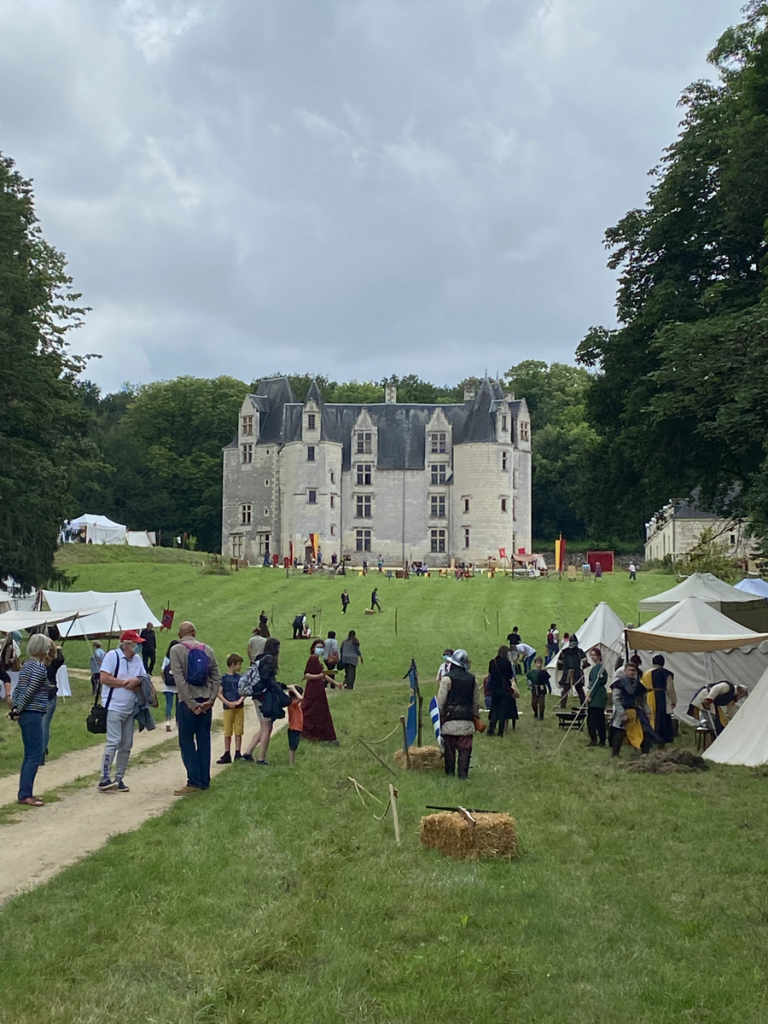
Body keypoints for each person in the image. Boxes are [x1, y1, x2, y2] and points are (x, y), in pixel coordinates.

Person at [170, 621, 221, 795]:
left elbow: (179, 679)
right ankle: (205, 780)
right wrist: (211, 700)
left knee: (186, 741)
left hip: (187, 703)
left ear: (180, 635)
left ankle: (193, 781)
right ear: (194, 632)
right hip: (206, 700)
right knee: (204, 740)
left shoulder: (177, 650)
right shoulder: (208, 650)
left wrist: (191, 704)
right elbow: (217, 677)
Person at [98, 630, 146, 793]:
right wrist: (125, 683)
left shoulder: (137, 659)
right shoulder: (113, 656)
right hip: (113, 706)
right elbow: (104, 678)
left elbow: (143, 678)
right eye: (135, 643)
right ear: (126, 644)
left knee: (126, 744)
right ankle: (104, 777)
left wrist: (138, 681)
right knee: (114, 741)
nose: (138, 646)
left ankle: (119, 779)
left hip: (130, 708)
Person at [10, 633, 55, 806]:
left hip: (25, 712)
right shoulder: (39, 667)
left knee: (31, 752)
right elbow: (30, 691)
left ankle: (25, 791)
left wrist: (15, 707)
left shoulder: (26, 665)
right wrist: (18, 709)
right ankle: (25, 794)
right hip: (33, 712)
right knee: (34, 753)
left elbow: (19, 689)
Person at [437, 650, 481, 779]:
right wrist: (475, 716)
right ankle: (463, 775)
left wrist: (440, 717)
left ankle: (450, 773)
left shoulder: (447, 679)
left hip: (450, 720)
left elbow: (440, 702)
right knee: (465, 749)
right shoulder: (473, 679)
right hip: (467, 720)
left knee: (449, 750)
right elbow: (476, 702)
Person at [610, 662, 656, 757]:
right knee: (620, 732)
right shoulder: (619, 684)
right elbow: (616, 699)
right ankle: (615, 754)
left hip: (635, 711)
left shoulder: (639, 685)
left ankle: (645, 753)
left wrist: (647, 712)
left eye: (633, 670)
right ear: (625, 671)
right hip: (622, 710)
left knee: (646, 730)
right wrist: (622, 713)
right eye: (629, 670)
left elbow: (642, 700)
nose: (631, 672)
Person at [301, 642, 339, 742]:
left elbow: (323, 675)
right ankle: (307, 732)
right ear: (313, 648)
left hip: (318, 688)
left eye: (322, 647)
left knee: (319, 711)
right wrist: (319, 677)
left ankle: (318, 734)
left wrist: (335, 683)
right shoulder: (312, 659)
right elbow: (307, 675)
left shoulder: (317, 660)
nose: (320, 649)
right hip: (313, 688)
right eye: (318, 647)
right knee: (311, 709)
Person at [641, 655, 677, 748]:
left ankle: (650, 739)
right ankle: (661, 740)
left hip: (648, 696)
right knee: (661, 719)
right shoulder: (666, 673)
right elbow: (670, 688)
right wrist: (673, 700)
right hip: (660, 697)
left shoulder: (646, 674)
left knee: (650, 718)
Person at [216, 653, 245, 763]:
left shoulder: (240, 678)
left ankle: (238, 752)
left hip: (239, 707)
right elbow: (219, 693)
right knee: (227, 730)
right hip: (228, 708)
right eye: (239, 664)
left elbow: (244, 692)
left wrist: (239, 701)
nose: (240, 666)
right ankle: (227, 752)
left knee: (239, 730)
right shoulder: (224, 678)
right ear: (233, 665)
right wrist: (227, 702)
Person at [41, 645, 64, 764]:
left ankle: (40, 752)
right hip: (49, 695)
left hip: (41, 696)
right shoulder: (52, 665)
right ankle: (41, 752)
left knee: (42, 725)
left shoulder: (38, 664)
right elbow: (60, 659)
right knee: (44, 726)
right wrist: (58, 649)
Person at [487, 645, 517, 736]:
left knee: (494, 708)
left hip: (495, 689)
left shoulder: (493, 662)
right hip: (505, 689)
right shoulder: (507, 663)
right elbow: (510, 676)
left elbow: (490, 674)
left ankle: (491, 728)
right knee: (503, 710)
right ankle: (500, 731)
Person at [585, 648, 608, 747]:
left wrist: (590, 695)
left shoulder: (599, 669)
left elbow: (595, 683)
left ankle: (596, 739)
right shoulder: (596, 668)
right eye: (591, 655)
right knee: (598, 720)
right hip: (598, 695)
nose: (592, 657)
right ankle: (599, 740)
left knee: (594, 720)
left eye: (594, 655)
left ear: (599, 656)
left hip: (597, 697)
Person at [556, 635, 587, 708]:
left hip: (568, 672)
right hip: (576, 672)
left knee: (566, 690)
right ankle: (583, 705)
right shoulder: (579, 651)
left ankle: (563, 705)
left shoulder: (564, 652)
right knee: (579, 690)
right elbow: (585, 662)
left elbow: (560, 664)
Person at [161, 640, 179, 731]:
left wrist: (165, 681)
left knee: (169, 704)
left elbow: (162, 671)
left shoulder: (166, 658)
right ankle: (177, 722)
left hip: (168, 686)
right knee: (178, 704)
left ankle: (168, 722)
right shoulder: (180, 658)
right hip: (178, 685)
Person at [287, 685, 304, 765]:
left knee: (294, 747)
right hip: (294, 728)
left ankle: (292, 763)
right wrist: (293, 689)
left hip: (297, 728)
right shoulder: (292, 703)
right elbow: (300, 698)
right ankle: (291, 763)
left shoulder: (294, 704)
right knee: (292, 747)